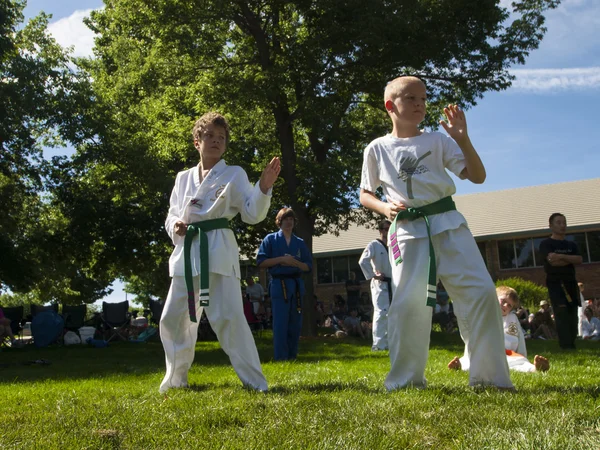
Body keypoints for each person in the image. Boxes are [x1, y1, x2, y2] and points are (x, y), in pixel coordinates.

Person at [359, 76, 512, 390]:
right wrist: (384, 208)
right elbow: (365, 193)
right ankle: (406, 380)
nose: (420, 104)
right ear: (390, 106)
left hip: (448, 224)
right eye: (411, 98)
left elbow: (477, 176)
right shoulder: (377, 148)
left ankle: (488, 377)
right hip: (407, 232)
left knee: (482, 292)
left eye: (424, 99)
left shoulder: (438, 141)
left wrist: (463, 139)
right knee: (407, 305)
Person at [159, 112, 280, 393]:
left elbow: (251, 213)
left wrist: (263, 187)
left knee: (230, 319)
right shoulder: (182, 178)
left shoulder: (234, 174)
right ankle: (176, 381)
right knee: (175, 318)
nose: (216, 141)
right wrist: (175, 225)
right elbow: (171, 214)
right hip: (187, 253)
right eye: (210, 136)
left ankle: (255, 382)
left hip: (218, 250)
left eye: (221, 138)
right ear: (196, 141)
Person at [448, 286, 549, 373]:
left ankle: (535, 369)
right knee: (475, 362)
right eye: (503, 301)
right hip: (484, 351)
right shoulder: (481, 314)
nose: (505, 306)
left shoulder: (512, 319)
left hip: (507, 354)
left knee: (518, 362)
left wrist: (523, 356)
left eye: (509, 305)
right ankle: (459, 367)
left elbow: (520, 338)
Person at [257, 208, 312, 361]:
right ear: (279, 222)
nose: (289, 222)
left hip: (296, 285)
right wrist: (282, 260)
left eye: (291, 219)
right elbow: (261, 262)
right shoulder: (270, 239)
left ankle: (292, 356)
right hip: (279, 284)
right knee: (281, 323)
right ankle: (281, 358)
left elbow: (308, 266)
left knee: (295, 323)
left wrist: (298, 264)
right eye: (286, 219)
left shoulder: (299, 243)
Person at [539, 213, 583, 350]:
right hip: (555, 283)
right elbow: (552, 262)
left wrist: (561, 256)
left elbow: (579, 259)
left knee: (572, 312)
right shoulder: (546, 244)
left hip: (571, 282)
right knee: (561, 312)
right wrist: (568, 260)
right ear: (551, 226)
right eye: (558, 222)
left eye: (564, 222)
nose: (562, 225)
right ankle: (565, 345)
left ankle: (572, 342)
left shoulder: (571, 244)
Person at [359, 219, 392, 351]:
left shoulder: (393, 246)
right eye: (385, 229)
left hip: (393, 284)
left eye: (389, 229)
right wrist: (374, 274)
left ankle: (389, 343)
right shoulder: (374, 244)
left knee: (391, 313)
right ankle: (378, 345)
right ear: (380, 230)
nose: (387, 231)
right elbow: (363, 261)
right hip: (380, 283)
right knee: (380, 312)